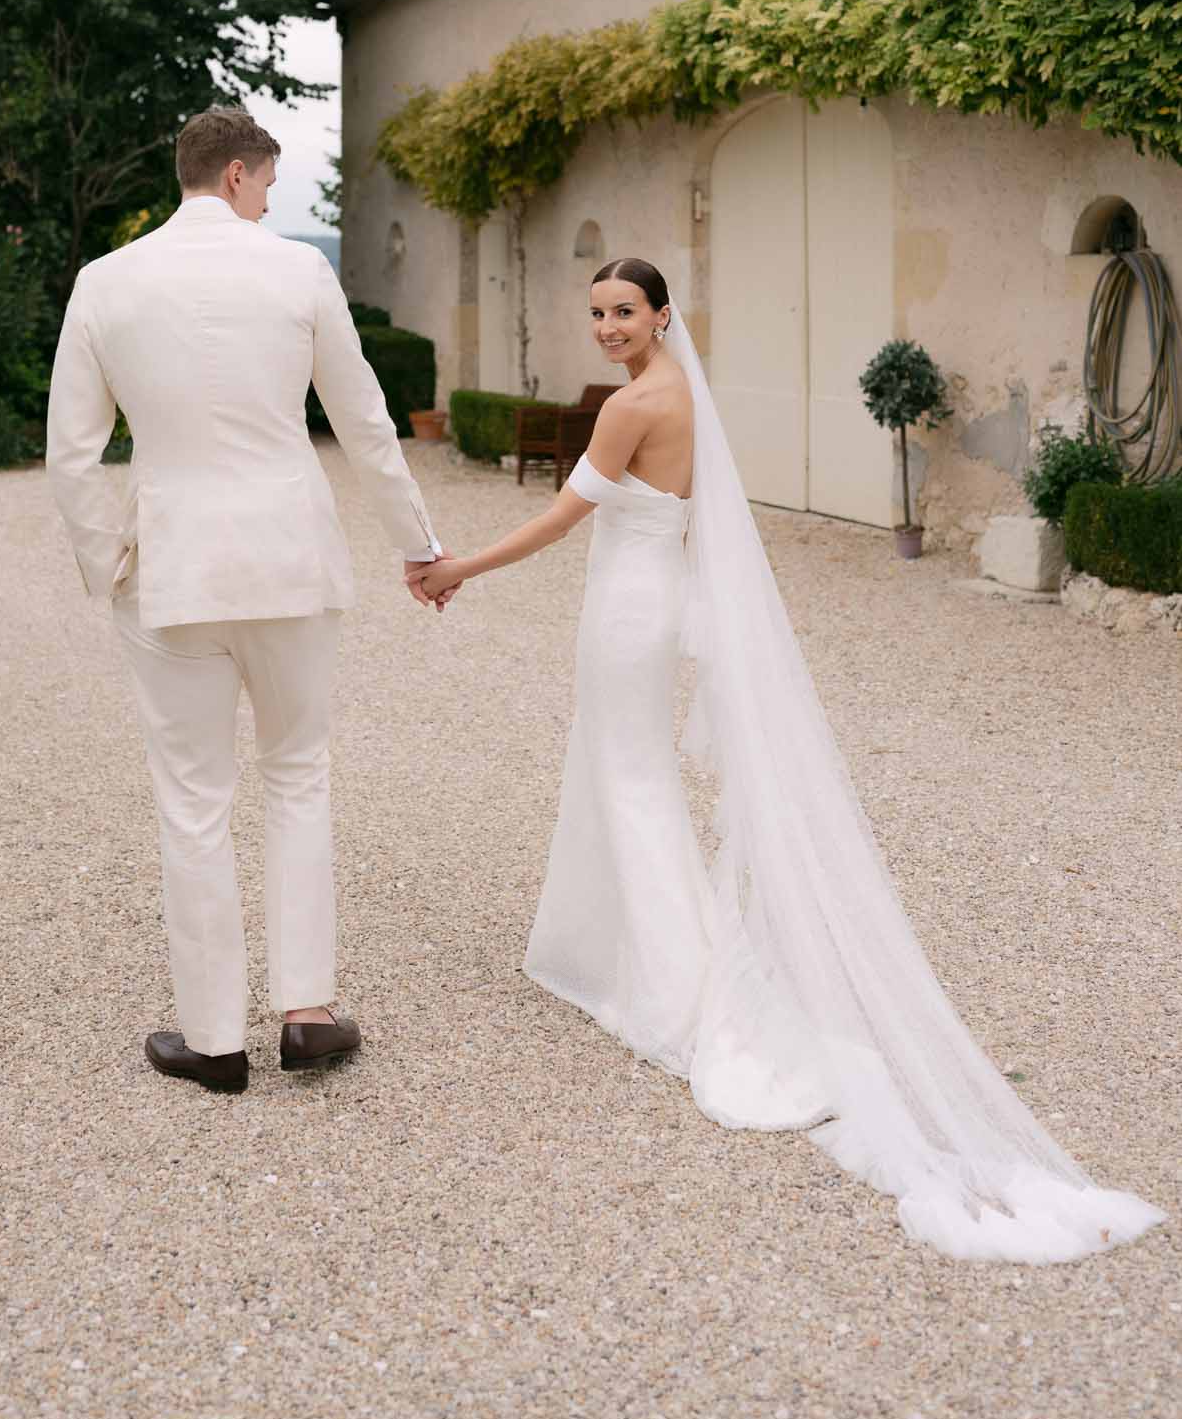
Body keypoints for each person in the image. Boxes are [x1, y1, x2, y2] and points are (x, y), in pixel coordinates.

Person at [418, 258, 1163, 1261]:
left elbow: (561, 518)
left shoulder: (635, 403)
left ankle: (675, 980)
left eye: (623, 311)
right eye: (595, 312)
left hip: (626, 610)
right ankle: (637, 952)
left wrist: (458, 566)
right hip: (646, 597)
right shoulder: (681, 389)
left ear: (661, 314)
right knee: (627, 778)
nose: (606, 326)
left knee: (630, 783)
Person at [47, 107, 449, 1092]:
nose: (272, 202)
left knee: (192, 798)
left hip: (172, 570)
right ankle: (307, 1010)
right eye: (268, 184)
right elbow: (364, 422)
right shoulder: (297, 272)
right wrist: (419, 546)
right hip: (290, 560)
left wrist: (109, 566)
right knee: (298, 771)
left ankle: (215, 1037)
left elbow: (71, 451)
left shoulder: (106, 282)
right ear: (234, 173)